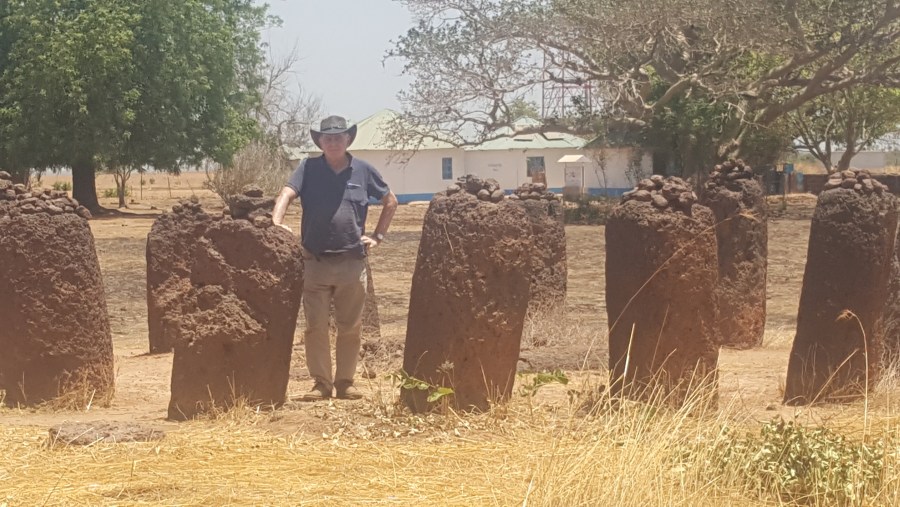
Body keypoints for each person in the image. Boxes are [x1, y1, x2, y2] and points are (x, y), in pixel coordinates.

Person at [272, 115, 398, 400]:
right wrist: (276, 223)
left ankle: (345, 382)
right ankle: (321, 383)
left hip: (351, 263)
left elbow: (390, 201)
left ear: (348, 140)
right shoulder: (308, 168)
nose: (333, 142)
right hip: (314, 262)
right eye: (327, 138)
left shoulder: (363, 170)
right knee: (315, 327)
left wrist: (378, 236)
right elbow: (287, 193)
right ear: (320, 141)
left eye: (338, 137)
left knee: (350, 327)